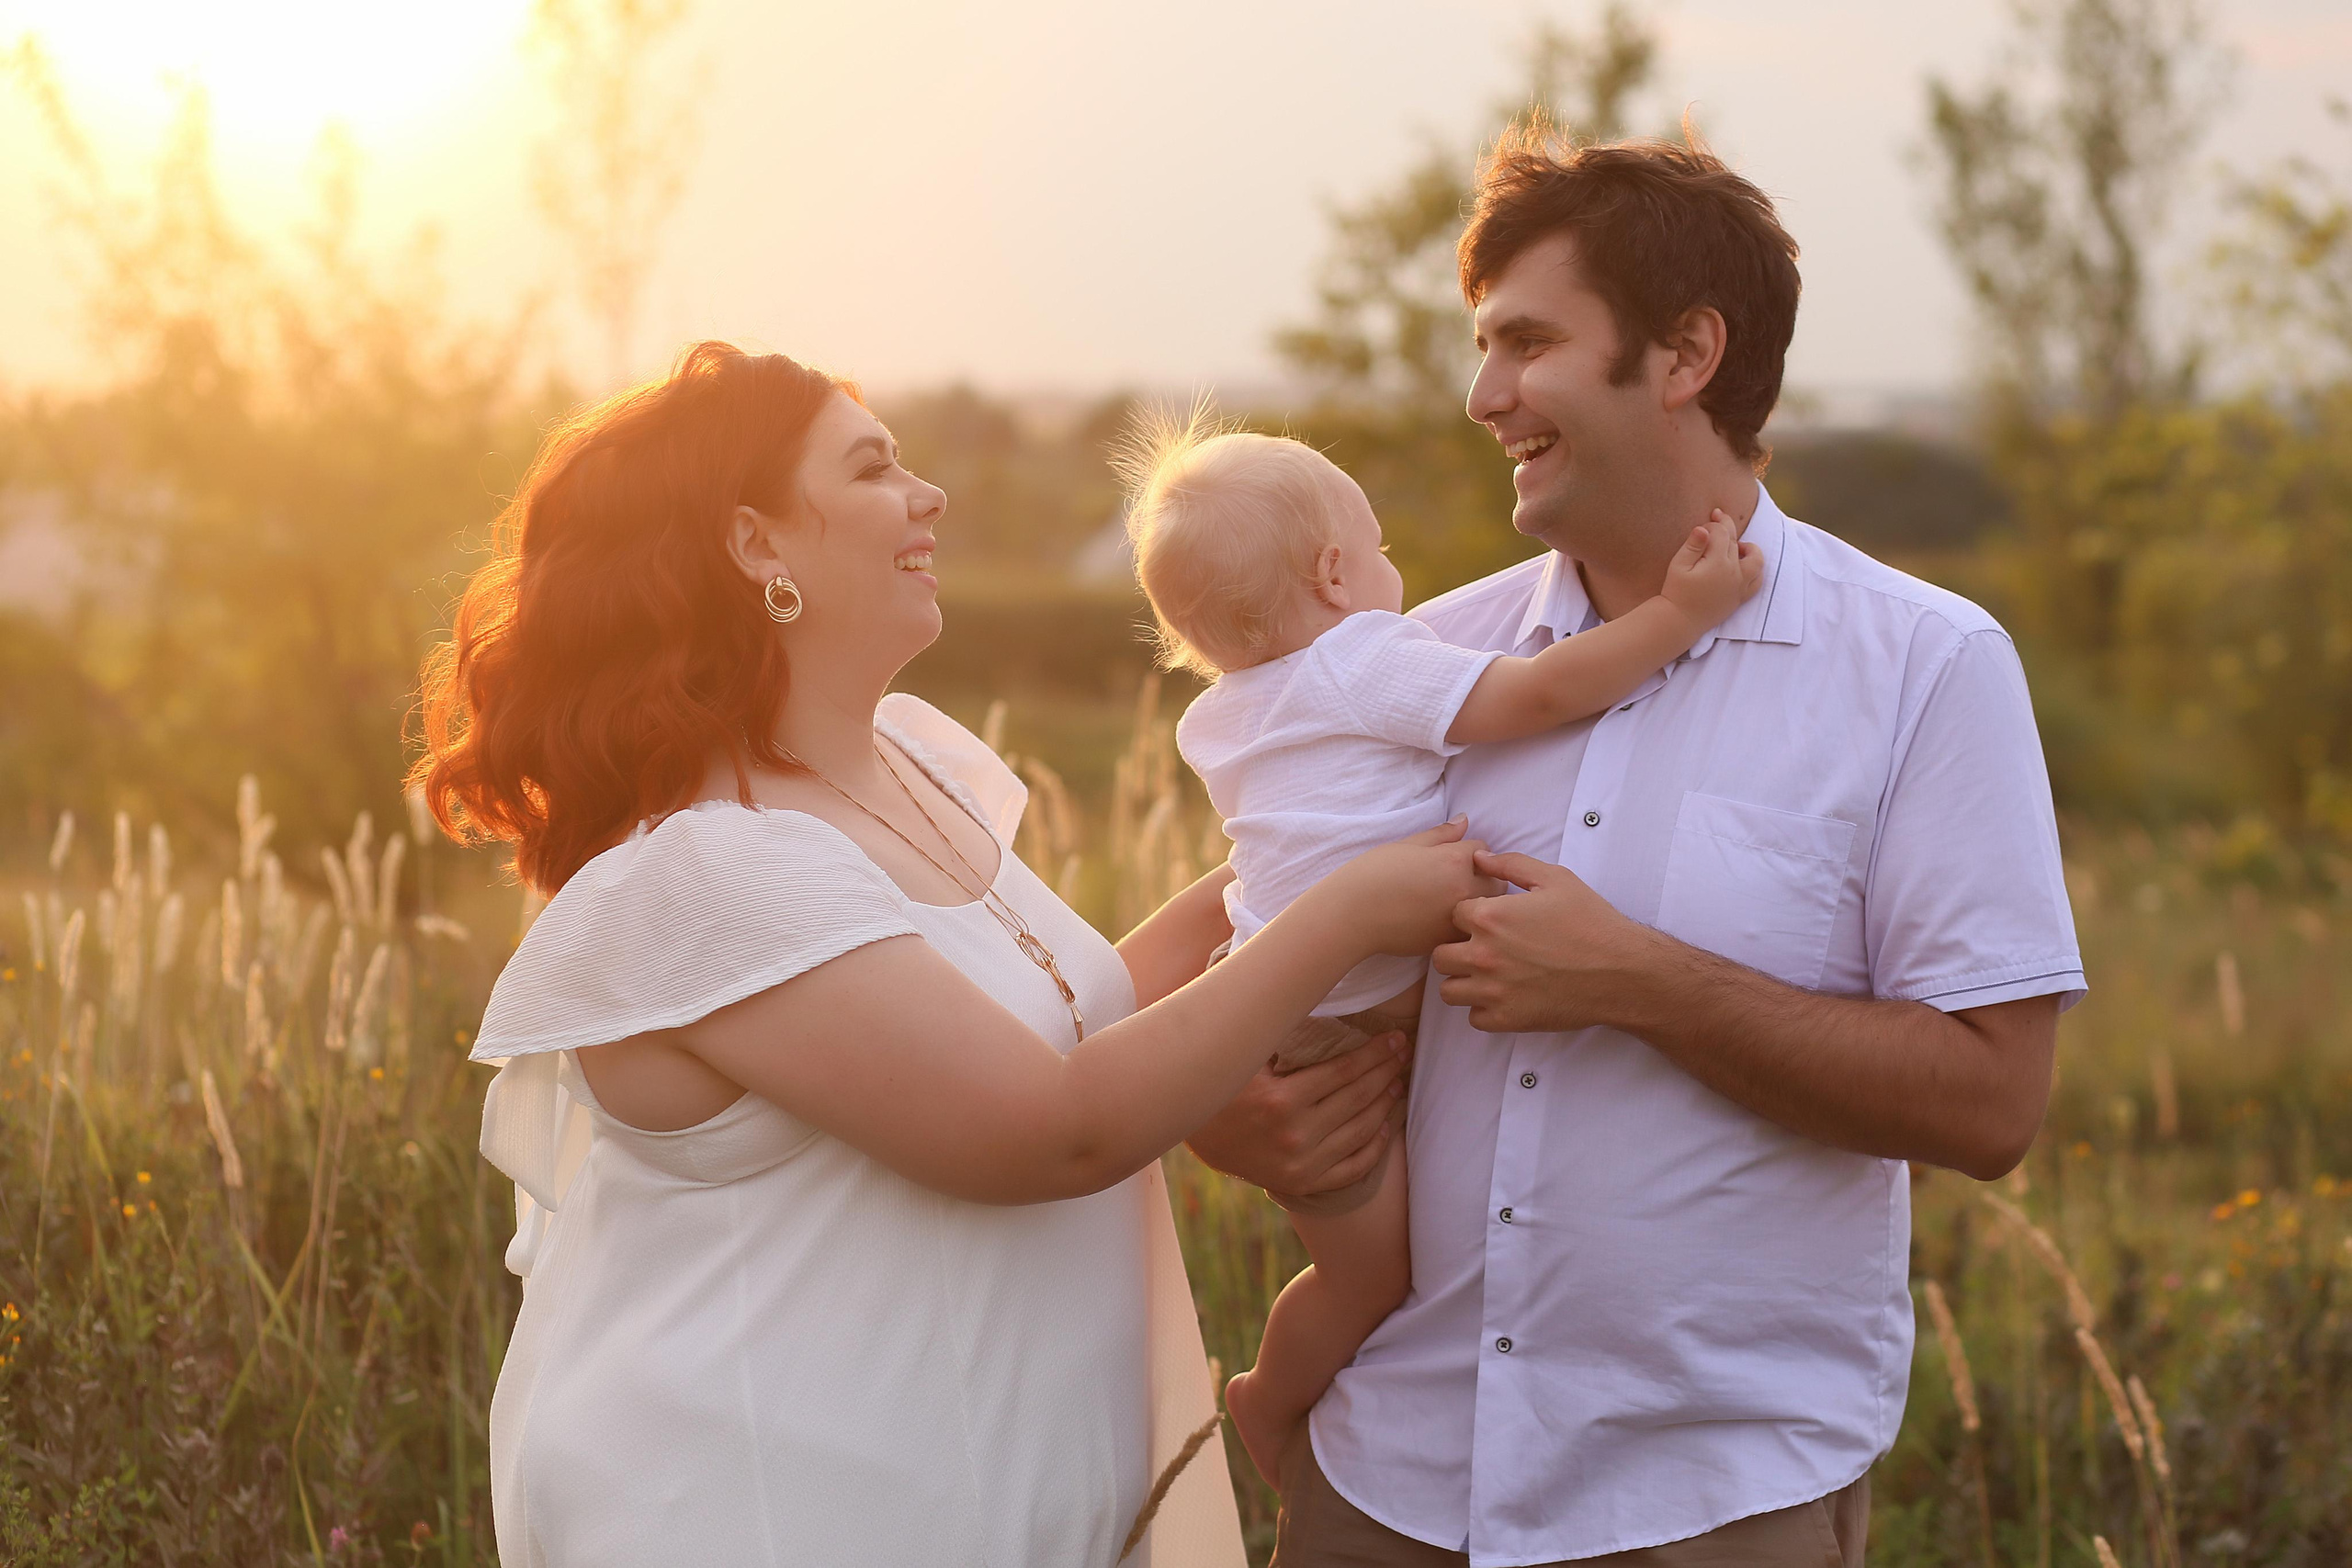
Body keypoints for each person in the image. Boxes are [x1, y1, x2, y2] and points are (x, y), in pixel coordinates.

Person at [411, 341, 1494, 1567]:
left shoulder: (915, 767)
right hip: (781, 1509)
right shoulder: (711, 871)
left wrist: (1293, 876)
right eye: (874, 468)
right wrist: (1346, 913)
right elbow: (1050, 1123)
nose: (929, 496)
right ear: (756, 543)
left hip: (979, 1492)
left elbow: (1063, 1014)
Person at [1187, 124, 2086, 1567]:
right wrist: (1222, 1107)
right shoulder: (1419, 660)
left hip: (1708, 1502)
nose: (1485, 396)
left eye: (1526, 343)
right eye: (1481, 346)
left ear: (1683, 357)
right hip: (1388, 1480)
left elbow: (1992, 1104)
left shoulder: (1926, 666)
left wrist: (1636, 979)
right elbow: (1242, 926)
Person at [1115, 416, 1758, 1487]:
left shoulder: (1221, 717)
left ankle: (1285, 1396)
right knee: (1375, 1281)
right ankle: (1269, 1405)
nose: (1391, 574)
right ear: (1333, 574)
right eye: (1375, 548)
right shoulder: (1366, 659)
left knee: (1359, 1266)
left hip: (1281, 1014)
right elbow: (1540, 693)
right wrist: (1680, 615)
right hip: (1340, 1030)